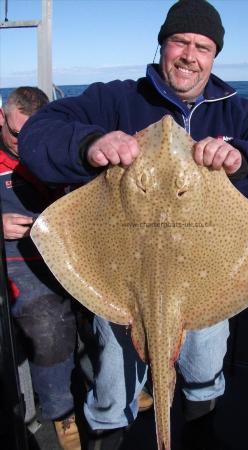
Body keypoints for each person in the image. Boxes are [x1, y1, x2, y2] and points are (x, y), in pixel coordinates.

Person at [19, 1, 248, 449]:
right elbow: (38, 133)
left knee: (205, 361)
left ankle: (199, 423)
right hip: (121, 271)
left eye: (202, 47)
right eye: (180, 42)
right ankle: (111, 429)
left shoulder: (238, 113)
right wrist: (89, 144)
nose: (190, 54)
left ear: (214, 55)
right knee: (114, 369)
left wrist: (244, 161)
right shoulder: (114, 99)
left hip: (206, 272)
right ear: (163, 45)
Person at [0, 87, 81, 450]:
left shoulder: (54, 146)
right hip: (16, 255)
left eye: (33, 135)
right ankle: (61, 411)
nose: (24, 144)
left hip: (63, 248)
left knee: (111, 310)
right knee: (48, 321)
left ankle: (117, 386)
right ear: (2, 117)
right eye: (17, 135)